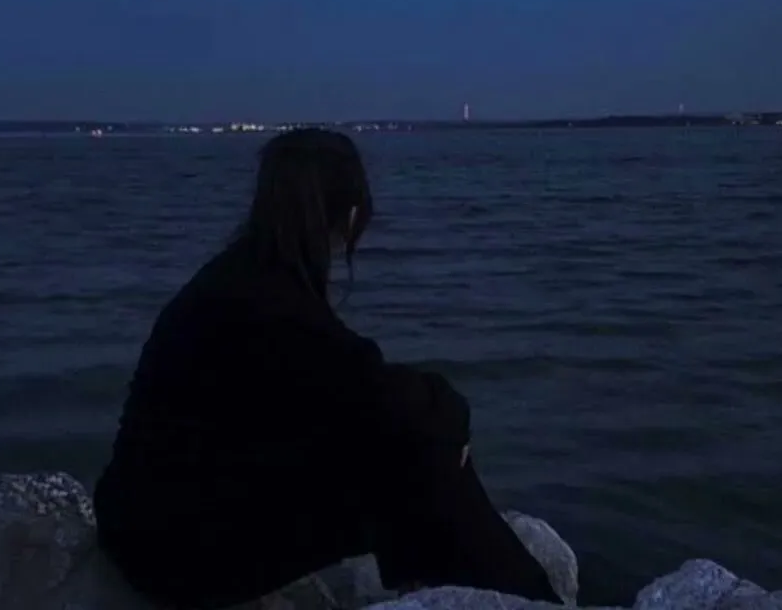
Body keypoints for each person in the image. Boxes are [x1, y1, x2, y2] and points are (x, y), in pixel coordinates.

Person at [93, 128, 562, 609]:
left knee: (399, 444)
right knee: (421, 456)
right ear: (351, 215)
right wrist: (452, 426)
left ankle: (447, 588)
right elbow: (386, 397)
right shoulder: (272, 304)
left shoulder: (238, 277)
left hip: (142, 524)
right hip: (174, 555)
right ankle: (528, 600)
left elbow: (354, 390)